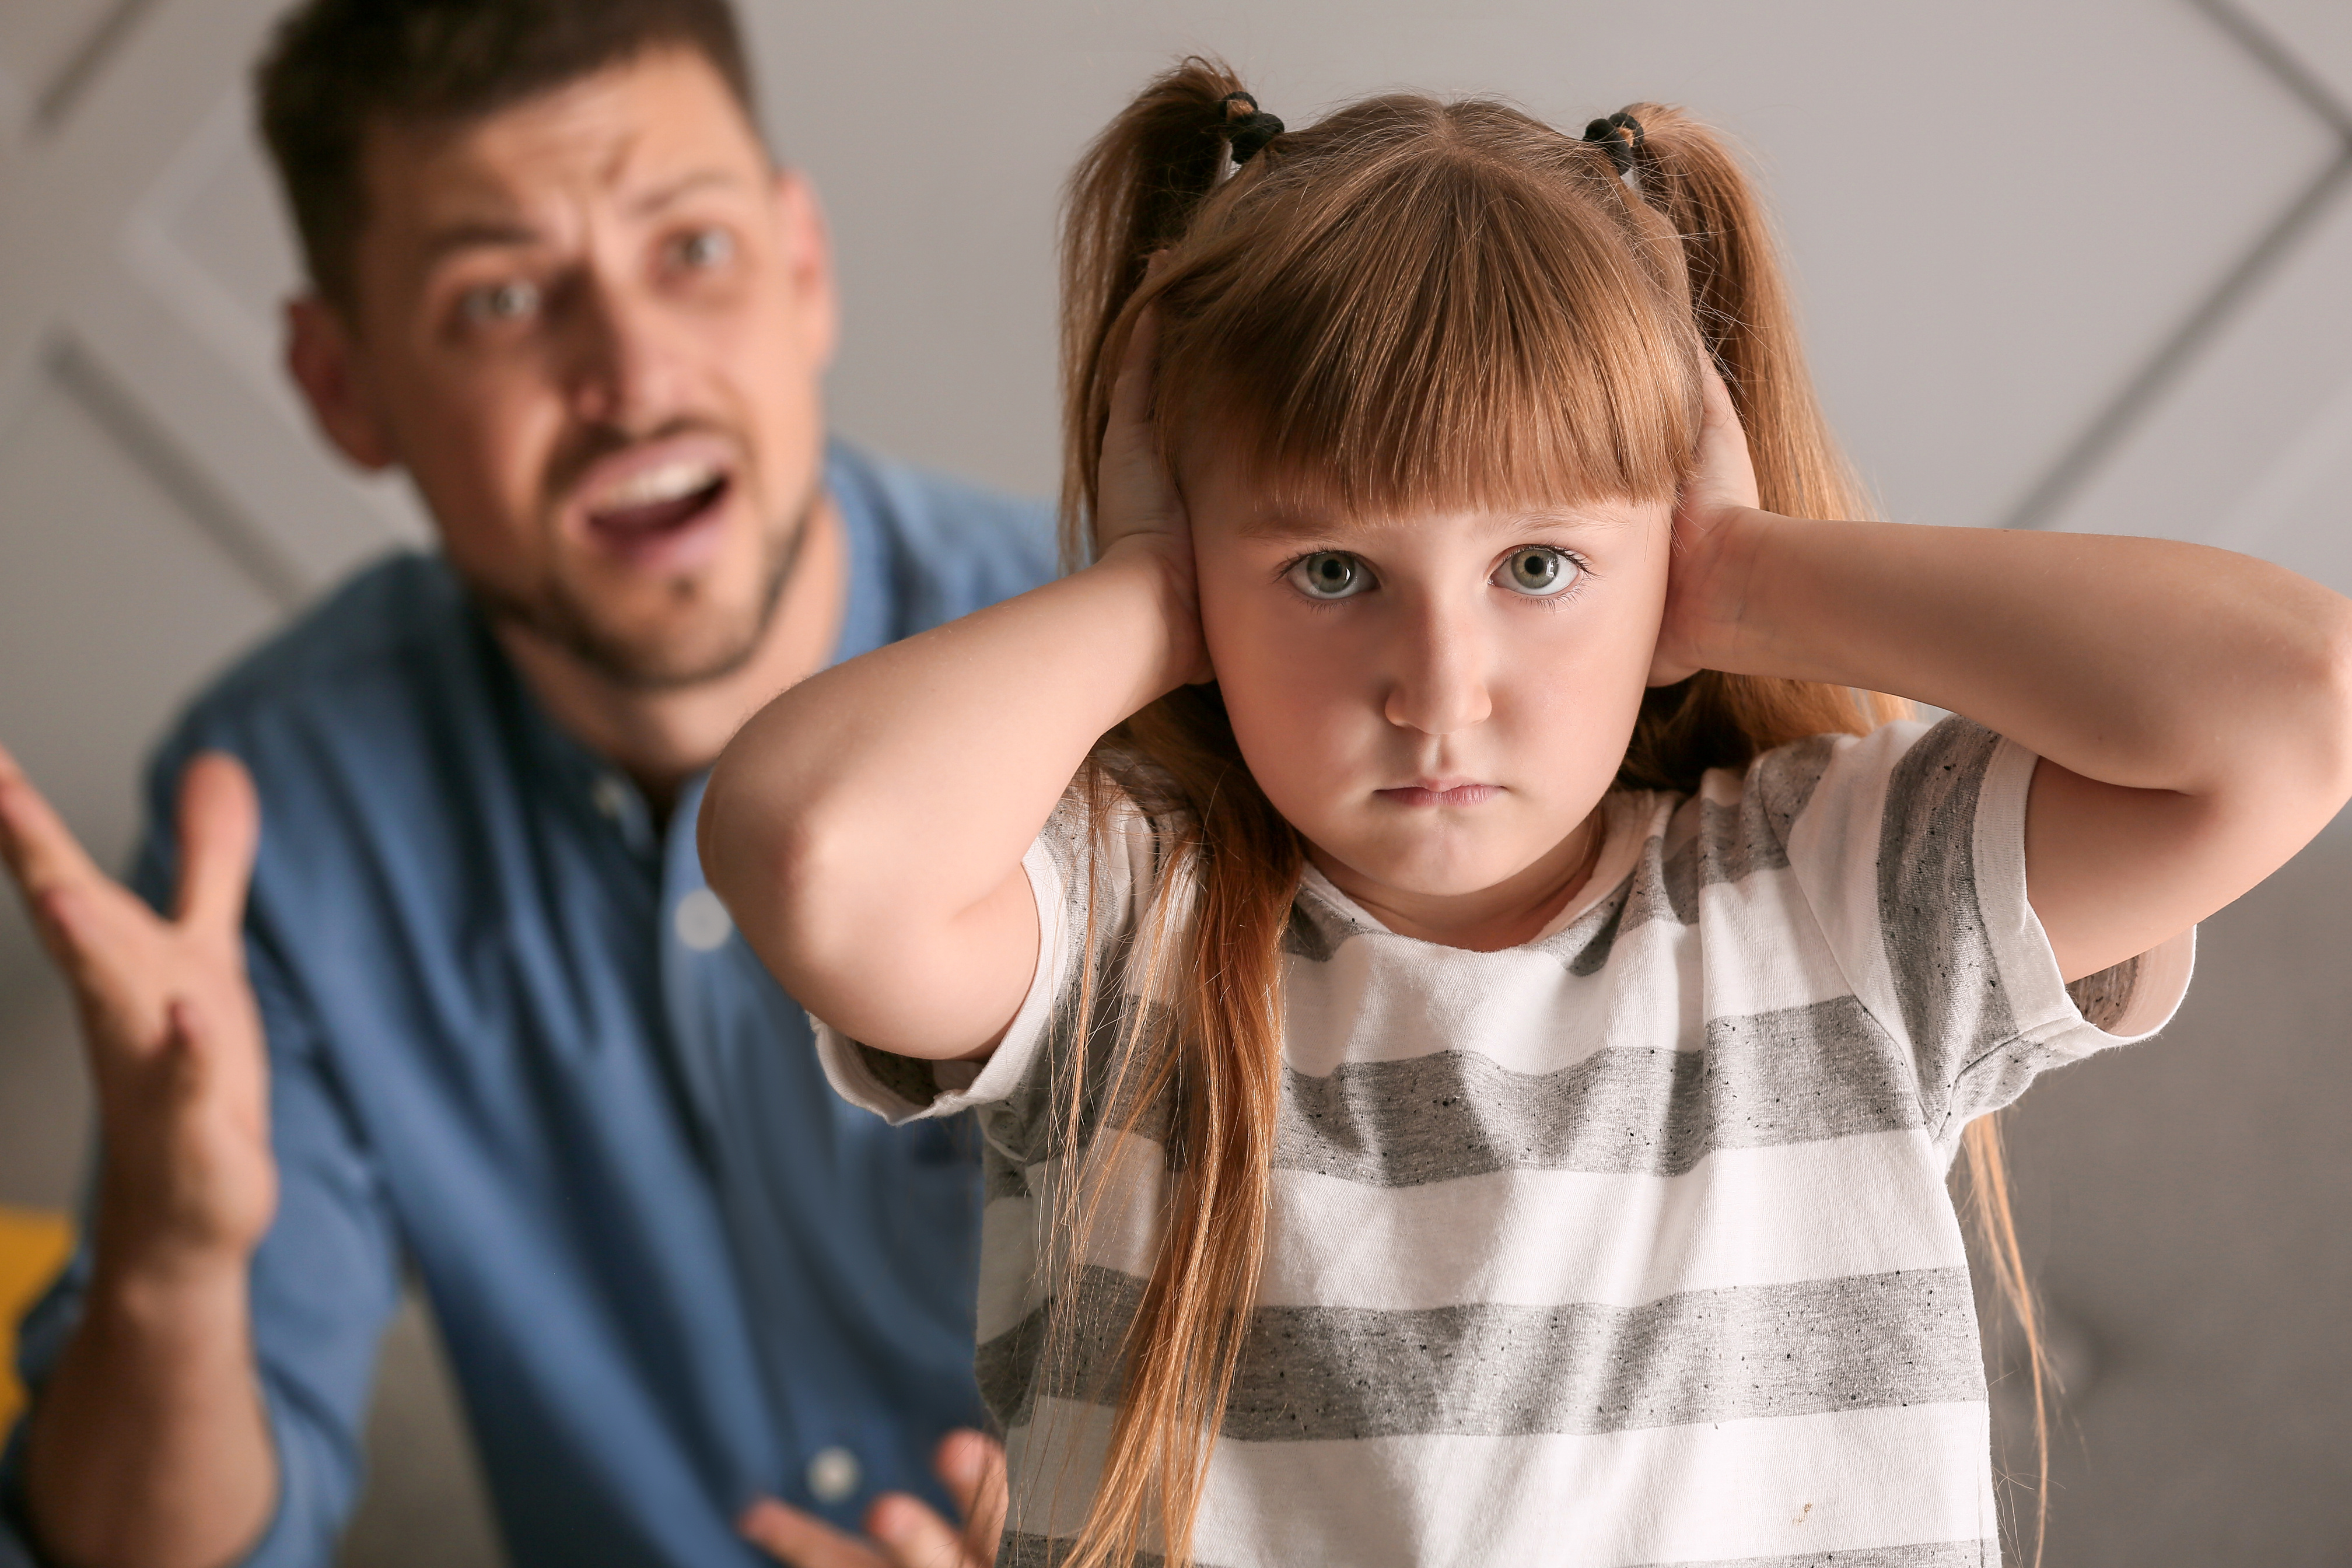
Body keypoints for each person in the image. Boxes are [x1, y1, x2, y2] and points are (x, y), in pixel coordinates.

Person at [698, 61, 2352, 1567]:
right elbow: (817, 857)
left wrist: (1751, 580)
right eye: (1330, 570)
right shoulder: (1122, 934)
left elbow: (2296, 709)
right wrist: (1150, 593)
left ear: (1668, 557)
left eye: (1540, 567)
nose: (1440, 684)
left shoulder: (1834, 902)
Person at [0, 2, 1051, 1565]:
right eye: (500, 298)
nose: (631, 374)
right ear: (342, 384)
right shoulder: (280, 811)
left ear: (801, 266)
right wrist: (170, 1262)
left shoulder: (1157, 703)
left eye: (689, 251)